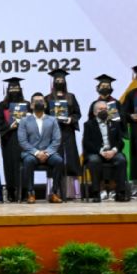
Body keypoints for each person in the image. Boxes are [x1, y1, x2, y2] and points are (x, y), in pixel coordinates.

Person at [18, 93, 63, 204]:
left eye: (41, 101)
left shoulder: (52, 120)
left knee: (59, 161)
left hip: (49, 153)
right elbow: (22, 141)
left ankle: (54, 193)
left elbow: (57, 140)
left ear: (45, 105)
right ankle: (31, 193)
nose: (39, 103)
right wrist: (37, 152)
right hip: (31, 153)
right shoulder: (24, 121)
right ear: (32, 105)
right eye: (36, 102)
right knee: (28, 161)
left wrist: (47, 152)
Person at [45, 69, 81, 198]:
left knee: (70, 159)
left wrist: (71, 119)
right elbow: (43, 116)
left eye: (62, 80)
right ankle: (55, 191)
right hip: (53, 133)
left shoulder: (71, 97)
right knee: (55, 160)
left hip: (68, 131)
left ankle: (72, 192)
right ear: (53, 82)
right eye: (57, 80)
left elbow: (77, 113)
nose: (59, 82)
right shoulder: (47, 98)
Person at [82, 101, 128, 202]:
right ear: (94, 113)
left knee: (121, 160)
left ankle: (120, 192)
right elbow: (87, 143)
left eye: (105, 109)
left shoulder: (115, 124)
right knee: (94, 161)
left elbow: (120, 142)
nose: (103, 111)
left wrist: (113, 151)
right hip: (97, 152)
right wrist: (100, 151)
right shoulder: (88, 125)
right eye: (100, 109)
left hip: (112, 152)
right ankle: (96, 193)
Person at [0, 77, 29, 202]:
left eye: (16, 88)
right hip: (8, 139)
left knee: (23, 165)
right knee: (9, 165)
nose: (14, 90)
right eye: (12, 88)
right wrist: (9, 126)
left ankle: (24, 191)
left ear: (20, 89)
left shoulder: (26, 104)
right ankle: (11, 192)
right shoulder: (3, 105)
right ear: (8, 90)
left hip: (23, 140)